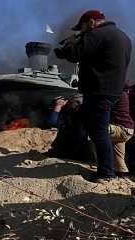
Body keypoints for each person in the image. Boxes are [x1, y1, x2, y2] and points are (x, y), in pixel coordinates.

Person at [54, 10, 132, 182]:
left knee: (98, 131)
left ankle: (105, 173)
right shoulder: (123, 37)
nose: (82, 31)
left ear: (91, 22)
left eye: (82, 27)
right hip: (114, 90)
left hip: (99, 90)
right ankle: (116, 170)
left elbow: (73, 55)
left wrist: (68, 45)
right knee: (95, 126)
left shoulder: (96, 34)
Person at [109, 86, 134, 176]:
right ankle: (123, 176)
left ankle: (102, 166)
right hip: (127, 130)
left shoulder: (116, 94)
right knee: (119, 159)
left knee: (97, 131)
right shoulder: (123, 94)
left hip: (121, 129)